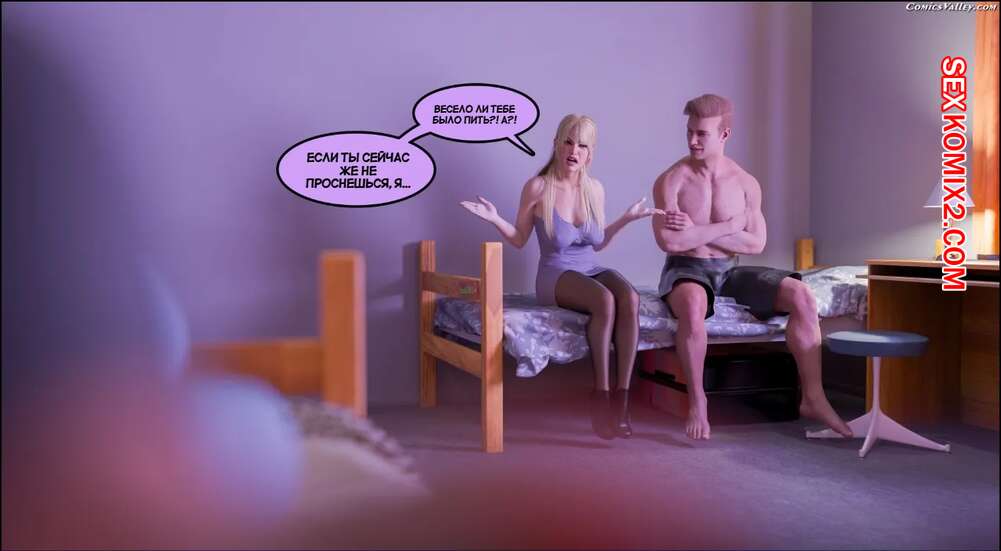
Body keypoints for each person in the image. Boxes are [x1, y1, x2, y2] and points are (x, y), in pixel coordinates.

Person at [651, 94, 853, 441]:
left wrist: (697, 231)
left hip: (730, 271)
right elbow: (670, 242)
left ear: (724, 134)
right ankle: (698, 400)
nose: (693, 140)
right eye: (689, 132)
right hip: (686, 269)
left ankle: (813, 397)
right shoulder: (672, 180)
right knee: (694, 303)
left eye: (702, 133)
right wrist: (730, 226)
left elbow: (756, 243)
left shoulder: (745, 183)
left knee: (802, 295)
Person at [461, 114, 662, 439]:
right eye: (568, 142)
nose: (574, 150)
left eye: (582, 145)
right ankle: (601, 396)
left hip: (589, 267)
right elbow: (519, 239)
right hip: (555, 274)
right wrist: (495, 218)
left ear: (590, 153)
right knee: (604, 300)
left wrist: (626, 219)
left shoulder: (594, 189)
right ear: (556, 144)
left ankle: (622, 403)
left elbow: (599, 242)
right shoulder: (539, 187)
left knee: (630, 297)